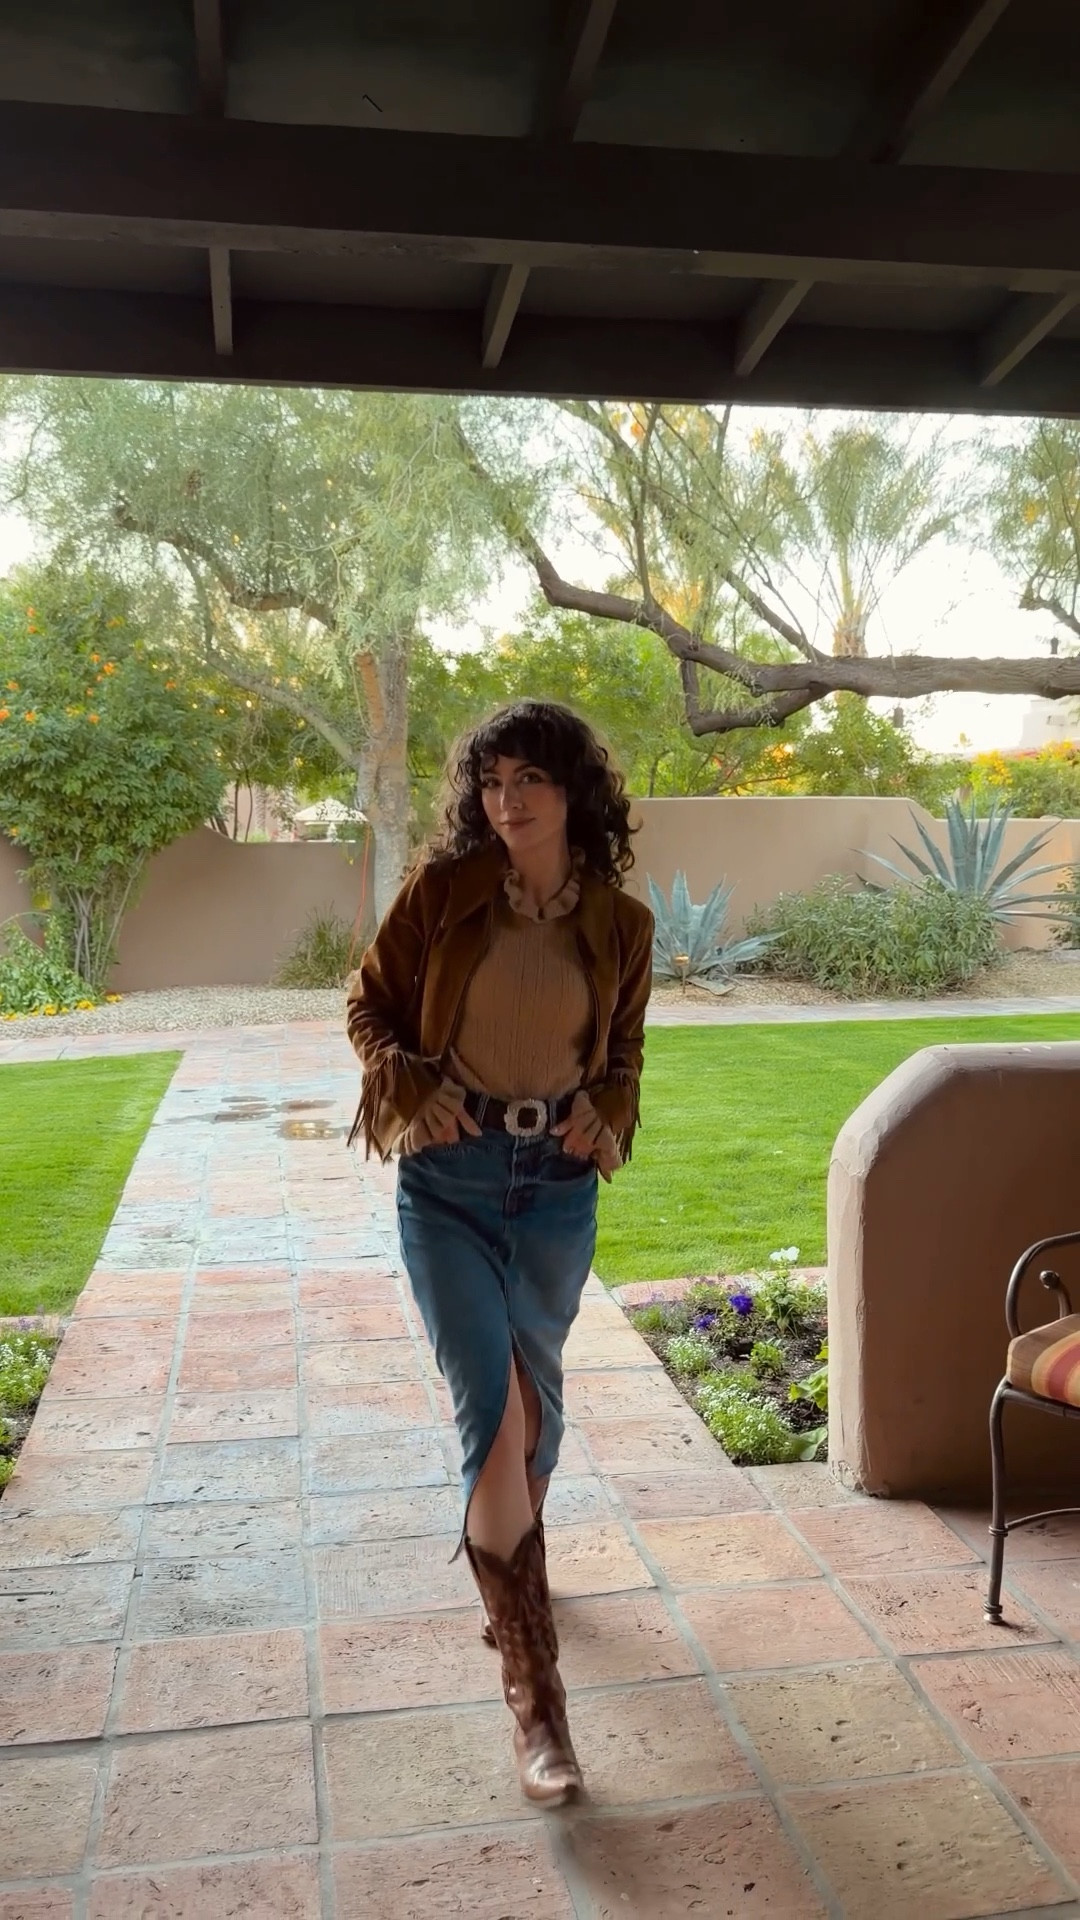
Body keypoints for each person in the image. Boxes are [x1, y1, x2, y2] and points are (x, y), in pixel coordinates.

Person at [345, 699, 653, 1808]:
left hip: (556, 1194)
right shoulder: (441, 897)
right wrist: (409, 1091)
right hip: (452, 1183)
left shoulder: (621, 922)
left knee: (537, 1414)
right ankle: (539, 1702)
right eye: (491, 782)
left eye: (529, 779)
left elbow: (622, 1054)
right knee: (492, 1405)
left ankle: (510, 1583)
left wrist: (608, 1113)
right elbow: (369, 1008)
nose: (506, 800)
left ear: (575, 794)